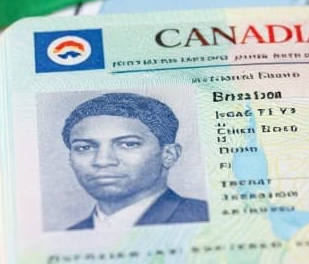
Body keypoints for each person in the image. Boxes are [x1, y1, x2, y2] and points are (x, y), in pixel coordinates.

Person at [60, 92, 208, 230]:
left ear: (169, 155)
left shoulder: (205, 218)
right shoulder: (66, 238)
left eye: (129, 144)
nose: (102, 161)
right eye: (84, 147)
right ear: (70, 159)